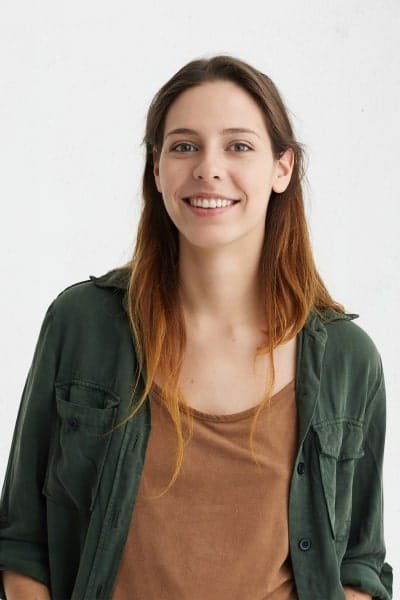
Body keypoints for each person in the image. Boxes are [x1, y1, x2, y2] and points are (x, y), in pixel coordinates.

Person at [0, 55, 393, 599]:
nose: (208, 168)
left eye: (239, 146)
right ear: (157, 167)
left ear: (282, 168)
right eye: (184, 146)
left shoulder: (350, 358)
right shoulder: (82, 324)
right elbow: (23, 542)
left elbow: (360, 564)